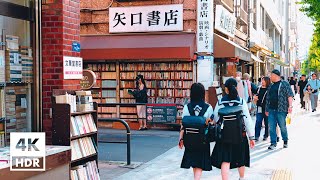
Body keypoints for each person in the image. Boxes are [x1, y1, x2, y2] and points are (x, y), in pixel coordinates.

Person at [211, 78, 255, 180]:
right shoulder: (241, 102)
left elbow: (216, 118)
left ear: (226, 89)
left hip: (224, 135)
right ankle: (241, 178)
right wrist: (251, 137)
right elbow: (247, 120)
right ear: (236, 87)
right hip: (240, 135)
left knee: (225, 160)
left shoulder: (220, 102)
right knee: (241, 158)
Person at [179, 83, 214, 180]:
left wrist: (181, 139)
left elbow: (183, 124)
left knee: (194, 161)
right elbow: (211, 122)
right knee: (199, 163)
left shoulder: (187, 107)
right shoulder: (208, 107)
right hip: (203, 139)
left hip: (189, 138)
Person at [265, 69, 294, 150]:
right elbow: (268, 98)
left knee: (282, 126)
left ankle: (285, 140)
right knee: (271, 127)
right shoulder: (271, 85)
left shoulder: (284, 84)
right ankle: (273, 143)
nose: (270, 76)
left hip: (281, 109)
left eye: (271, 75)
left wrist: (290, 106)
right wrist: (266, 109)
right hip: (271, 109)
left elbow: (290, 95)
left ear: (275, 75)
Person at [254, 77, 271, 141]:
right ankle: (256, 136)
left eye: (264, 80)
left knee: (267, 122)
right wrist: (255, 98)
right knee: (258, 121)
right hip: (259, 107)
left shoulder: (269, 89)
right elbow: (256, 95)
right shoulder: (259, 88)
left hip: (267, 108)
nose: (262, 82)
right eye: (262, 80)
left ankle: (266, 135)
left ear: (267, 81)